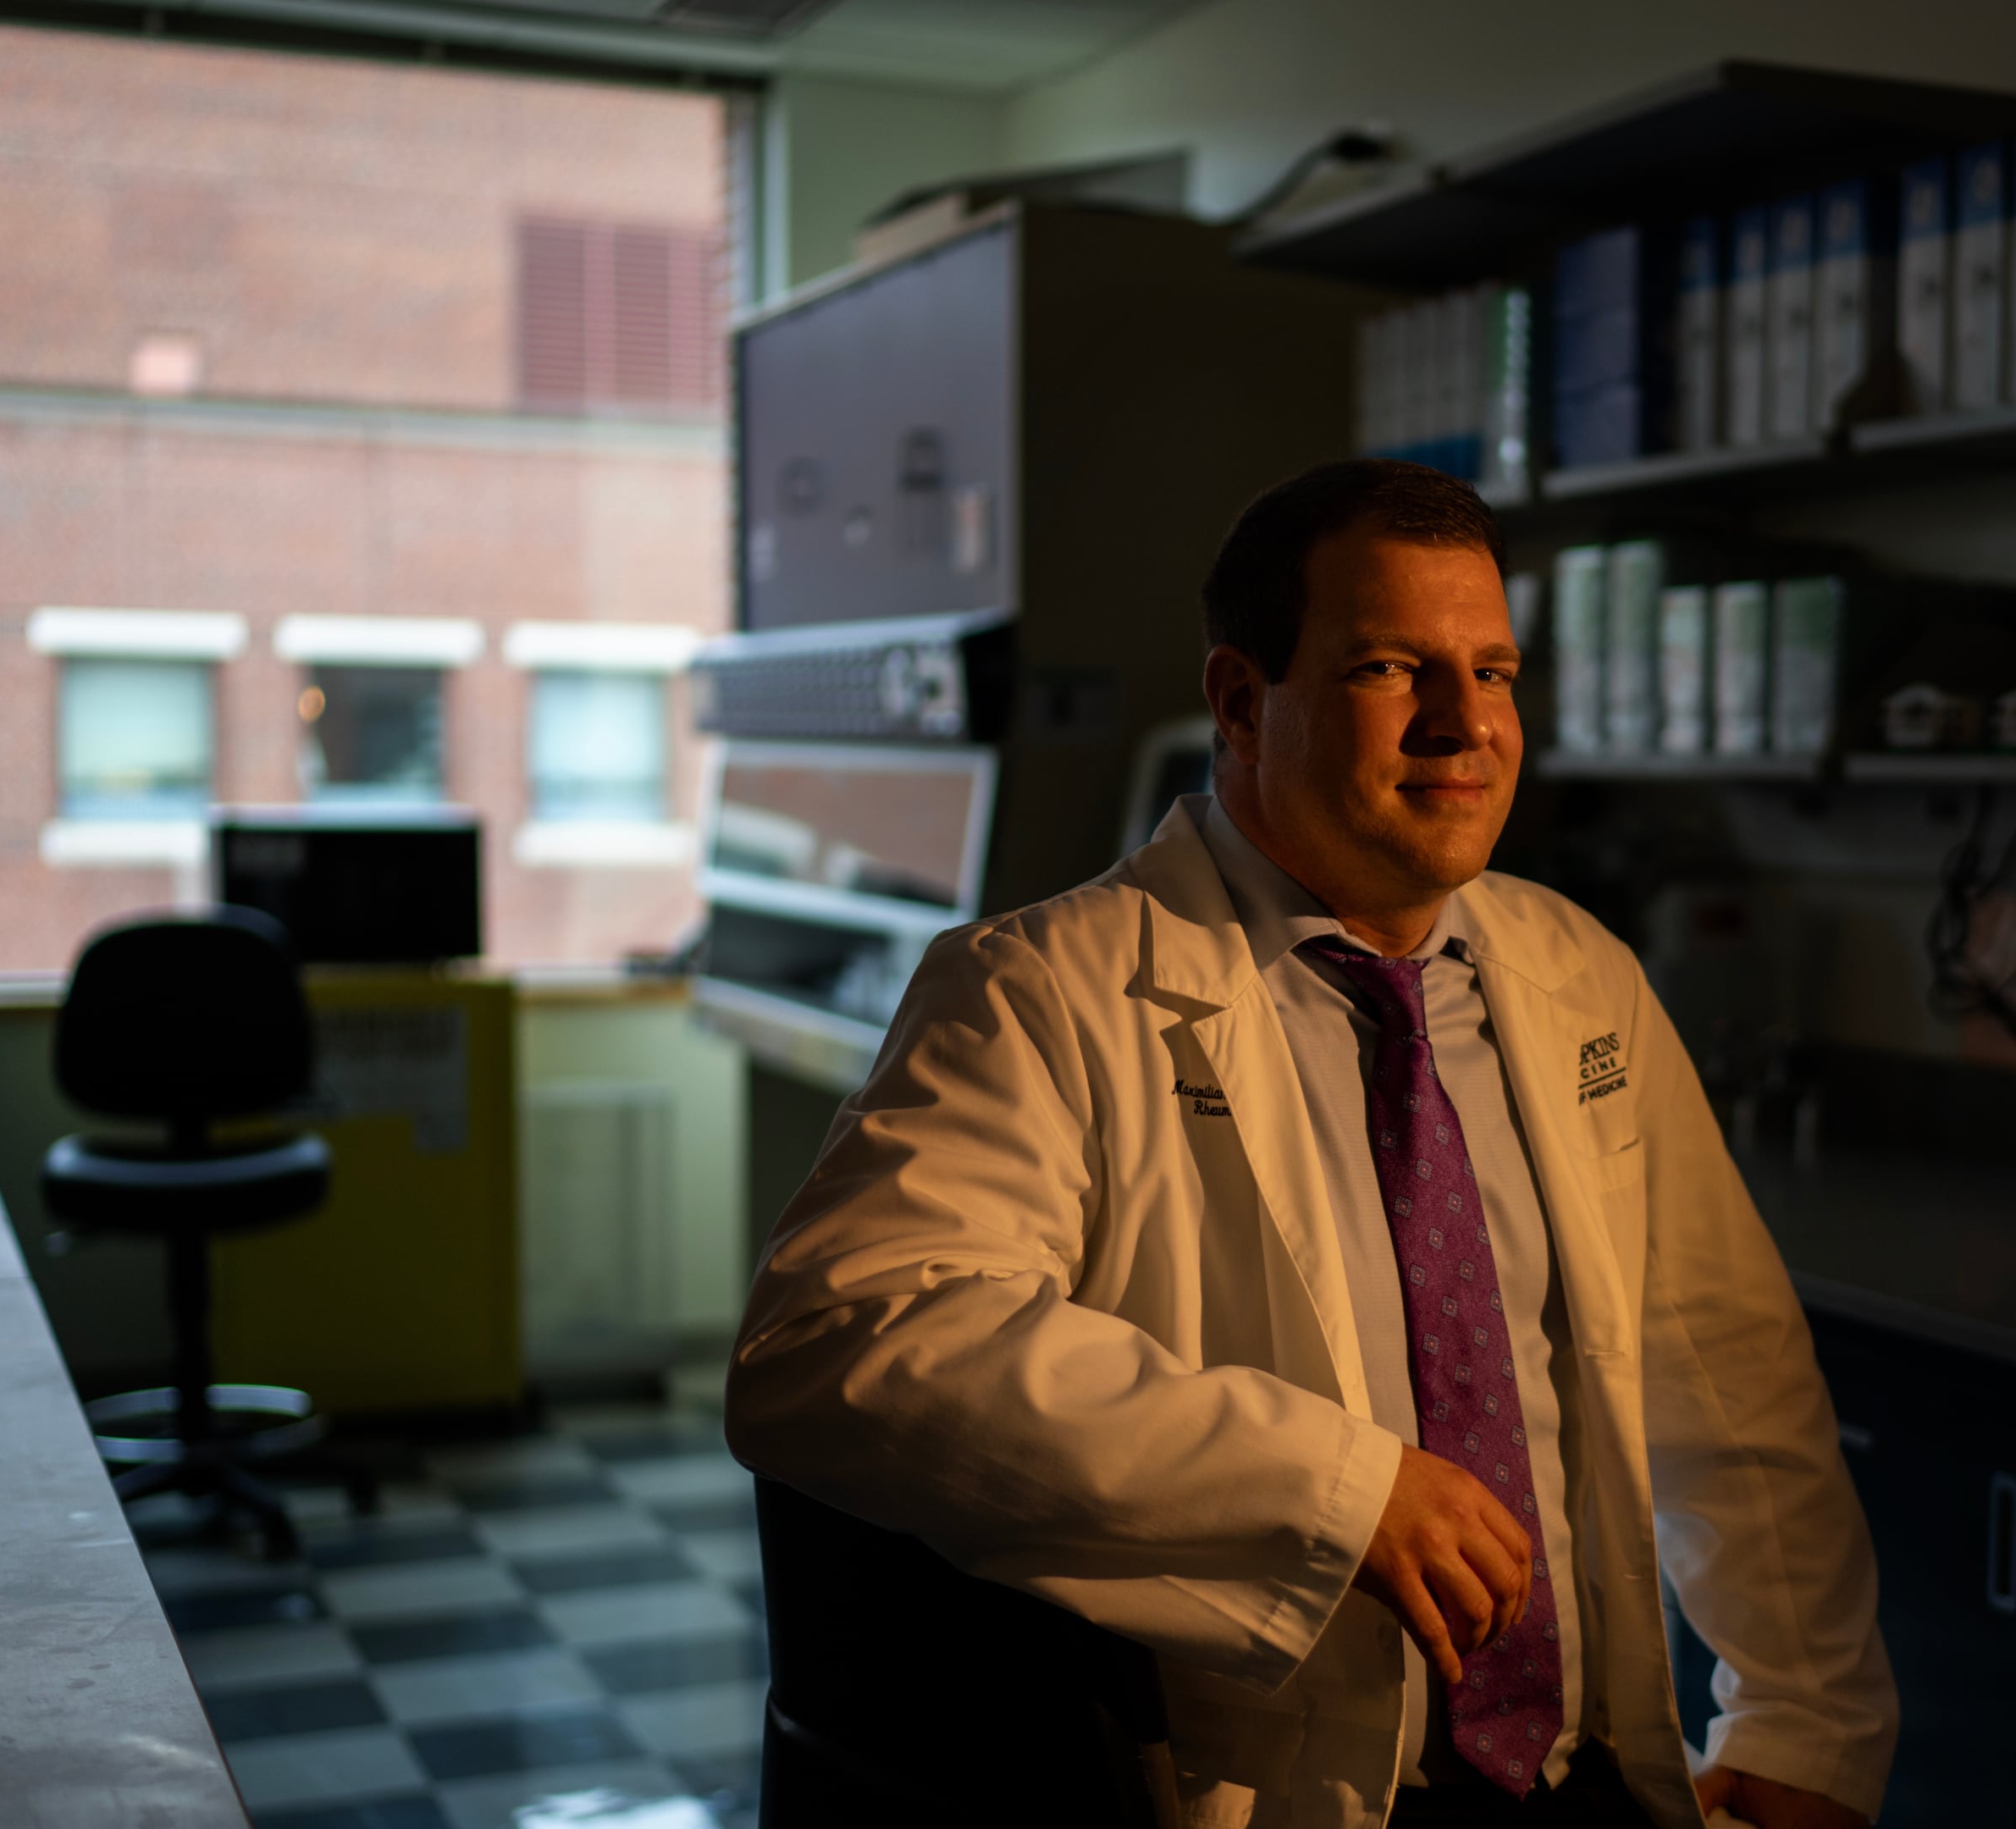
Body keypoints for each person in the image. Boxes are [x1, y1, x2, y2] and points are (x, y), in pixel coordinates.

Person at [728, 460, 1895, 1828]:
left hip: (1585, 1779)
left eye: (1495, 673)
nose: (1465, 724)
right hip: (1294, 1791)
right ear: (1241, 701)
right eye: (1391, 670)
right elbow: (838, 1340)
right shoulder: (1040, 992)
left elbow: (1727, 1364)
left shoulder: (1579, 971)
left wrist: (1805, 1718)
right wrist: (1337, 1489)